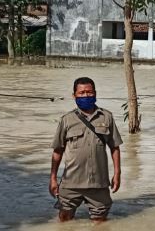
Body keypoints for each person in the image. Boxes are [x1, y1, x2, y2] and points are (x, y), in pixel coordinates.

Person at [49, 77, 122, 223]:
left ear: (95, 93)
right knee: (64, 221)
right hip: (71, 183)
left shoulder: (106, 117)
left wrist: (117, 173)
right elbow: (58, 151)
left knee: (100, 224)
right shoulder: (66, 120)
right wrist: (53, 178)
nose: (86, 96)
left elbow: (114, 147)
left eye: (89, 92)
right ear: (74, 95)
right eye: (81, 93)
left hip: (99, 183)